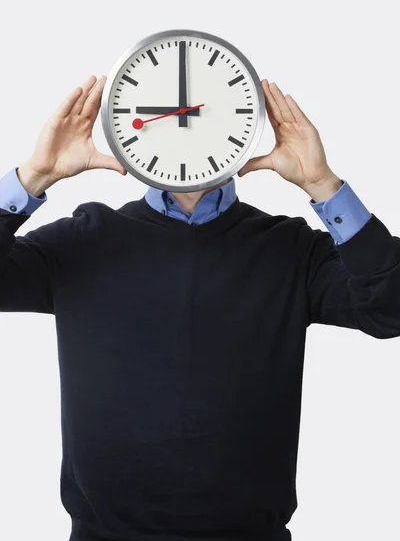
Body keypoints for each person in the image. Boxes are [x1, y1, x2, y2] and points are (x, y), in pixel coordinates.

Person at [1, 74, 399, 541]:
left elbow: (389, 309)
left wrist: (325, 186)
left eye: (203, 113)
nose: (184, 125)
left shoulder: (291, 250)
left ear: (247, 127)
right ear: (130, 131)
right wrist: (34, 177)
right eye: (166, 115)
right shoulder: (81, 240)